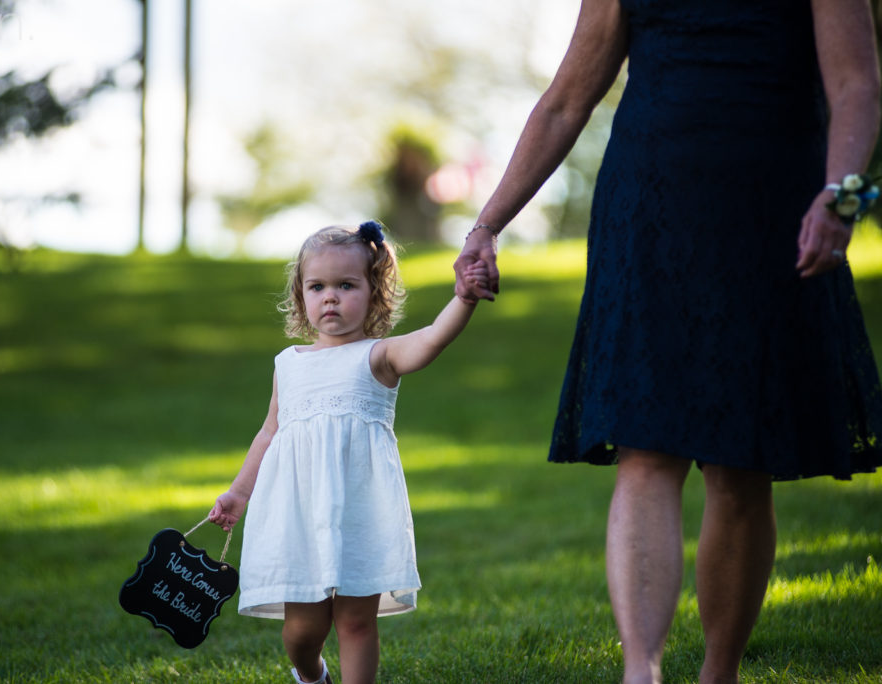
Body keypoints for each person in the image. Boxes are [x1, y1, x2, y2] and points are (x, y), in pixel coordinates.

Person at [453, 1, 882, 683]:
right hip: (647, 211)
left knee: (740, 462)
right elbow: (567, 100)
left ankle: (719, 673)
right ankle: (640, 672)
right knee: (645, 446)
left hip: (773, 207)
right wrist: (488, 223)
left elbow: (857, 82)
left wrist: (841, 194)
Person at [209, 221, 488, 684]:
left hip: (361, 512)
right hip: (297, 514)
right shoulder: (289, 364)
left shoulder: (379, 356)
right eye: (317, 286)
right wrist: (239, 493)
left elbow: (433, 338)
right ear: (301, 297)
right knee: (302, 630)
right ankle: (311, 674)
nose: (331, 297)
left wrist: (464, 298)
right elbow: (269, 432)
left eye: (346, 285)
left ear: (374, 293)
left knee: (357, 622)